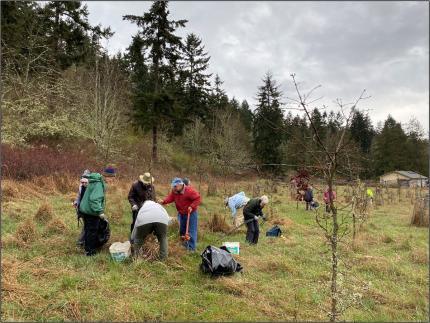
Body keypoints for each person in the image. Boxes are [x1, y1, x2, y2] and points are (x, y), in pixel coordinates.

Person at [158, 177, 201, 251]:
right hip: (181, 213)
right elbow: (170, 197)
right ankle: (183, 244)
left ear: (181, 185)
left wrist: (192, 206)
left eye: (175, 186)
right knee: (182, 229)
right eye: (173, 186)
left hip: (190, 213)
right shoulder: (175, 191)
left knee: (191, 230)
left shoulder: (189, 191)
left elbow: (197, 198)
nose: (174, 188)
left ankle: (191, 248)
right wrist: (164, 201)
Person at [79, 172, 107, 256]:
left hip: (86, 211)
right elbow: (94, 200)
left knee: (88, 230)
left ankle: (87, 249)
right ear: (107, 176)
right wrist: (100, 212)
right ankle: (90, 252)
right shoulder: (98, 184)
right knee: (92, 231)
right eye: (112, 178)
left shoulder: (94, 181)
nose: (113, 180)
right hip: (91, 212)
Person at [72, 169, 91, 246]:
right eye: (82, 182)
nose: (83, 184)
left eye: (85, 182)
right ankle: (81, 241)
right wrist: (76, 202)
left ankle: (83, 240)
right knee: (87, 225)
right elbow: (79, 196)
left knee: (88, 225)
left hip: (90, 209)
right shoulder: (81, 187)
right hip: (82, 209)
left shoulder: (91, 187)